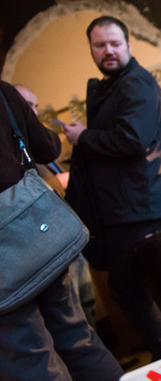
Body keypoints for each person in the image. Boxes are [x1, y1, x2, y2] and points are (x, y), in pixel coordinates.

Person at [0, 80, 135, 381]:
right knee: (78, 336)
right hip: (37, 237)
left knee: (34, 367)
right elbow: (46, 148)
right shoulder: (3, 91)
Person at [64, 15, 161, 360]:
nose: (108, 51)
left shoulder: (136, 84)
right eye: (99, 45)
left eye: (115, 44)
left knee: (135, 288)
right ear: (91, 49)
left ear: (129, 46)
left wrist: (83, 137)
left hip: (139, 210)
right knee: (144, 287)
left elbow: (132, 140)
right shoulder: (118, 85)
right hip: (129, 209)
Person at [14, 83, 98, 328]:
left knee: (86, 301)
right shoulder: (15, 147)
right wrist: (59, 182)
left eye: (35, 105)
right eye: (26, 105)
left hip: (66, 234)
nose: (33, 111)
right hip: (45, 241)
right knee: (70, 315)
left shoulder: (37, 144)